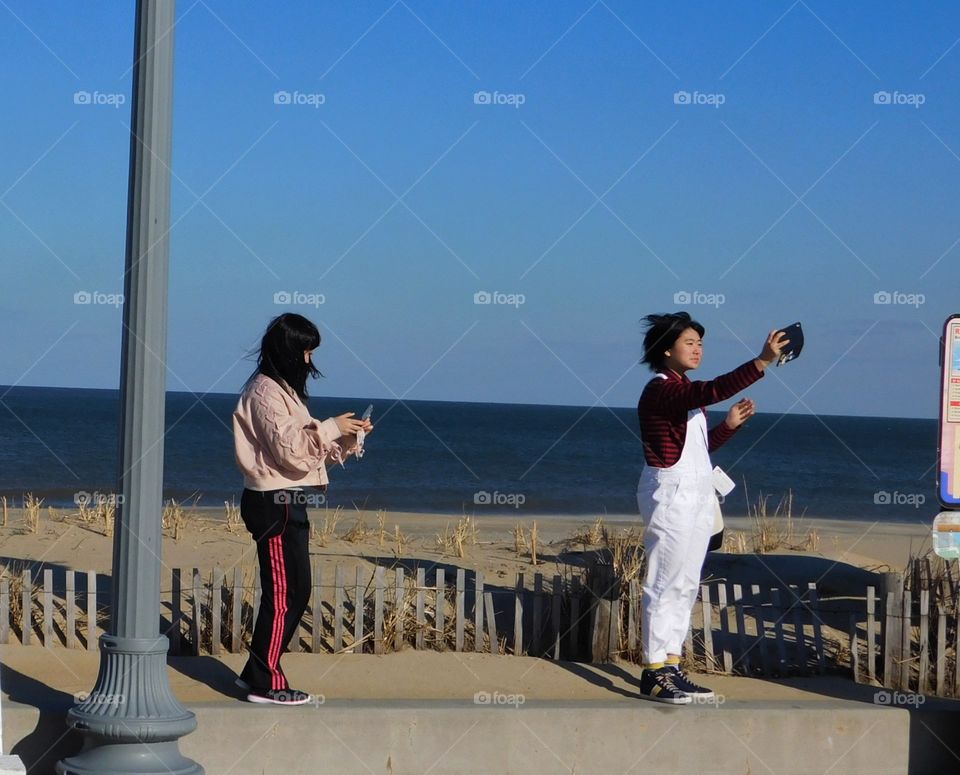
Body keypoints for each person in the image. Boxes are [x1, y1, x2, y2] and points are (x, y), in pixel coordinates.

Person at [636, 311, 788, 704]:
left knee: (685, 585)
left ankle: (671, 665)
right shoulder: (662, 390)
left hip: (698, 494)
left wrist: (730, 426)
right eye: (690, 342)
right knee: (663, 582)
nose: (698, 349)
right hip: (673, 495)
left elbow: (700, 452)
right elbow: (712, 390)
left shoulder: (683, 393)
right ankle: (653, 671)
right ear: (666, 349)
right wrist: (762, 360)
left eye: (700, 343)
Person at [232, 313, 373, 705]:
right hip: (272, 502)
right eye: (306, 352)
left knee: (297, 589)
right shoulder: (264, 392)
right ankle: (265, 682)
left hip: (288, 499)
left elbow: (309, 453)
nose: (310, 361)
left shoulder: (284, 392)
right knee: (284, 592)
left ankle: (256, 671)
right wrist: (329, 427)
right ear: (289, 351)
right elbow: (290, 450)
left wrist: (349, 437)